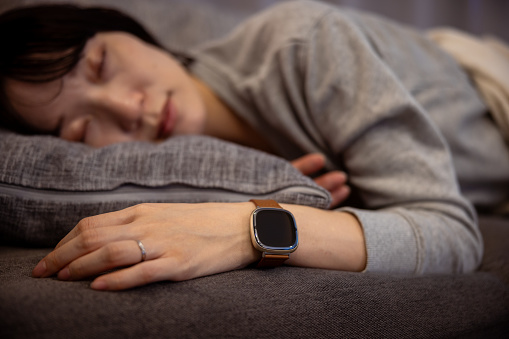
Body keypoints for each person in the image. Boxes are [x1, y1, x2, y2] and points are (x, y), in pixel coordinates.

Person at [0, 1, 506, 291]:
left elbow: (453, 236)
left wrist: (247, 226)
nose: (128, 107)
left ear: (121, 27)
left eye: (100, 64)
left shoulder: (307, 43)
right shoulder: (213, 166)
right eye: (82, 130)